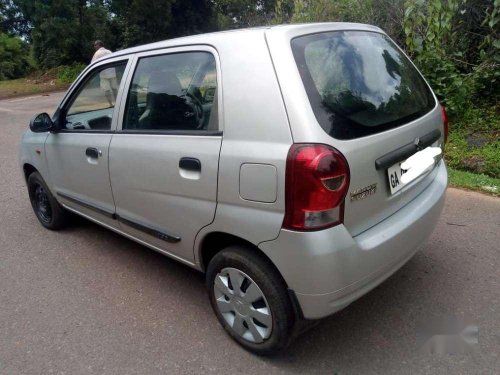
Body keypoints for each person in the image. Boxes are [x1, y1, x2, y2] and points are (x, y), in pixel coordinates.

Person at [91, 40, 117, 106]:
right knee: (114, 89)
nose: (94, 47)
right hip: (112, 73)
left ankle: (111, 104)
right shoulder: (109, 51)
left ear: (98, 45)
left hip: (104, 74)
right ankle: (118, 103)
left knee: (106, 90)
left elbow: (92, 64)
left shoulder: (97, 53)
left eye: (95, 45)